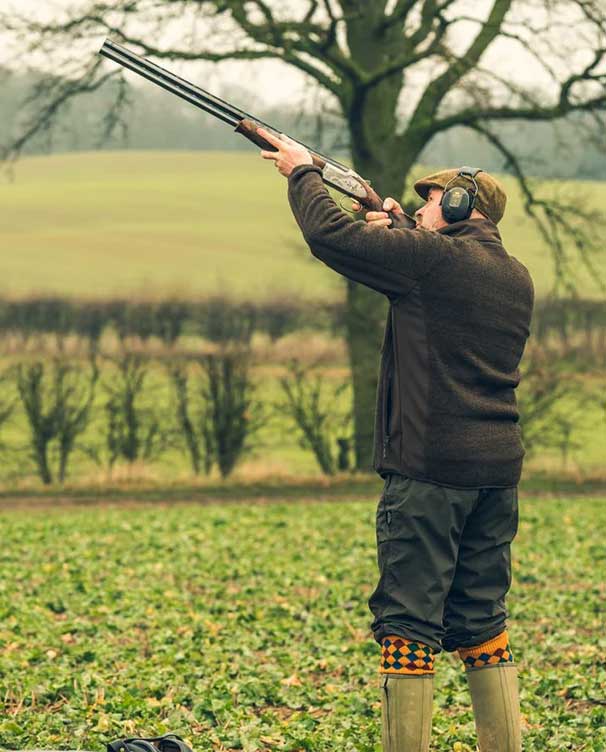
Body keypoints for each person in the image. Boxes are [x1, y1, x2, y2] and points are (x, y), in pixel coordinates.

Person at [257, 127, 534, 752]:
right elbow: (429, 271)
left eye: (431, 199)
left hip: (431, 470)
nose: (421, 208)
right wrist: (395, 221)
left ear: (463, 208)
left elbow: (331, 238)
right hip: (496, 473)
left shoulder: (432, 261)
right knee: (482, 621)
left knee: (408, 623)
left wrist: (303, 173)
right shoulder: (514, 274)